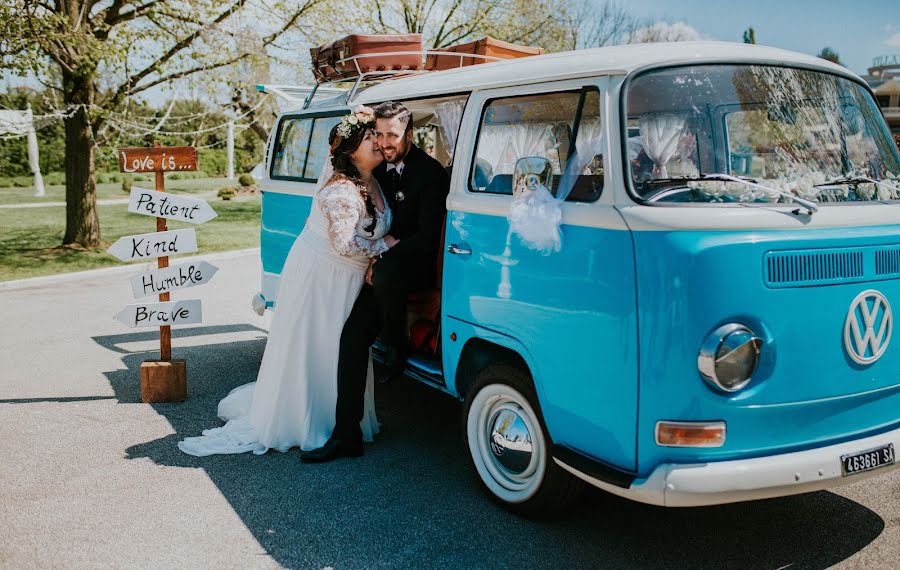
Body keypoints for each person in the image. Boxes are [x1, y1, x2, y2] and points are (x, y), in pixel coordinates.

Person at [178, 106, 396, 458]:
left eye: (377, 135)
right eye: (369, 136)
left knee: (338, 348)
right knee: (318, 345)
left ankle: (340, 419)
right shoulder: (341, 191)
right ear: (350, 148)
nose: (377, 142)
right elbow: (344, 244)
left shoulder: (374, 181)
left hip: (347, 277)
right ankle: (308, 420)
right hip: (324, 276)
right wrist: (383, 247)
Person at [300, 101, 449, 463]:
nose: (384, 142)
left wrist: (381, 256)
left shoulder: (430, 173)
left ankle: (396, 345)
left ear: (409, 134)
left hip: (415, 264)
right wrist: (378, 255)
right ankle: (345, 434)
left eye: (392, 135)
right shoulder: (376, 168)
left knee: (387, 273)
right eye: (379, 134)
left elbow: (428, 238)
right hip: (380, 268)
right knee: (351, 338)